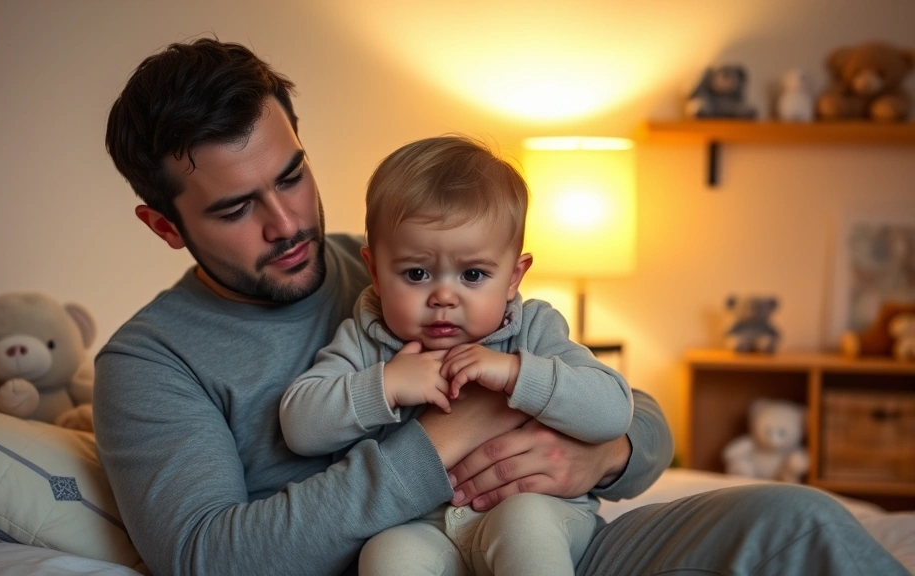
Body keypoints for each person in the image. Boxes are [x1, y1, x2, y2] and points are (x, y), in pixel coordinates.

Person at [96, 37, 910, 576]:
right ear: (164, 225)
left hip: (548, 538)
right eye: (236, 210)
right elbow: (208, 557)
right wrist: (450, 437)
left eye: (292, 176)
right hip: (409, 556)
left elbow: (645, 426)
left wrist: (598, 459)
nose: (287, 224)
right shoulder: (150, 362)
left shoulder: (400, 258)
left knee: (802, 523)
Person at [279, 135, 634, 576]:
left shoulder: (536, 328)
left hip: (532, 507)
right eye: (416, 273)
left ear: (513, 277)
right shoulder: (366, 340)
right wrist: (386, 384)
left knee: (525, 527)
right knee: (387, 555)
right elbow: (300, 426)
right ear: (374, 270)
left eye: (473, 274)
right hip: (420, 526)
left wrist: (517, 374)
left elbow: (613, 410)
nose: (443, 296)